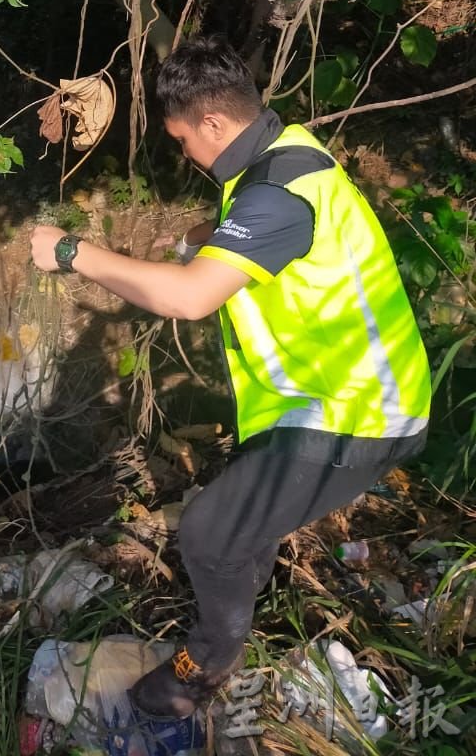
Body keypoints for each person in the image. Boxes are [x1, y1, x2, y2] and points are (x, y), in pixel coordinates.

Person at [30, 37, 431, 719]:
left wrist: (74, 252)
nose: (183, 152)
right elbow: (257, 236)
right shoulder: (287, 154)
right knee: (243, 520)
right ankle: (247, 597)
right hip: (329, 400)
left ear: (213, 123)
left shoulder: (277, 194)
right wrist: (207, 236)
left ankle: (207, 664)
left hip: (356, 417)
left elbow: (189, 297)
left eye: (183, 138)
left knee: (209, 533)